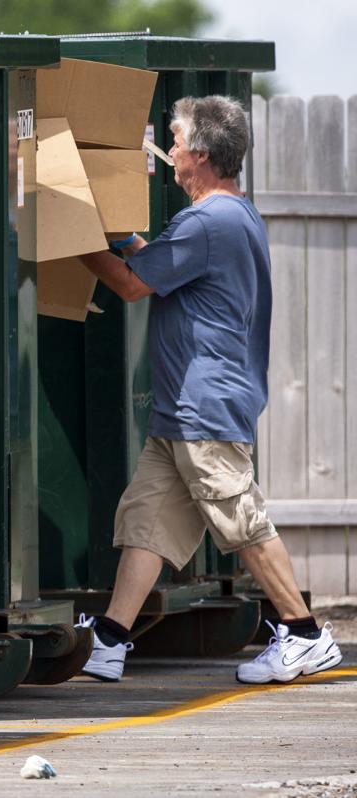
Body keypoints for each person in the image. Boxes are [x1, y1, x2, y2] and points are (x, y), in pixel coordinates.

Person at [73, 95, 343, 684]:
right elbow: (159, 266)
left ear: (199, 154)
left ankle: (304, 633)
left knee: (238, 518)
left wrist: (73, 233)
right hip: (181, 409)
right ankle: (111, 641)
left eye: (174, 142)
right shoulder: (230, 215)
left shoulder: (207, 220)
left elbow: (130, 285)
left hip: (204, 405)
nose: (168, 152)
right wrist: (120, 235)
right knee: (147, 522)